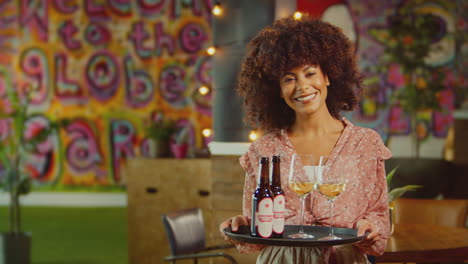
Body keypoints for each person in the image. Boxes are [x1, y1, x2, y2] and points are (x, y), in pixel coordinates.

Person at [218, 14, 391, 264]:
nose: (302, 87)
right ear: (276, 89)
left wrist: (370, 226)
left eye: (310, 74)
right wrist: (242, 224)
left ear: (328, 77)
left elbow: (379, 216)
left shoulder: (365, 144)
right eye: (289, 79)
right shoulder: (264, 149)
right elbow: (257, 226)